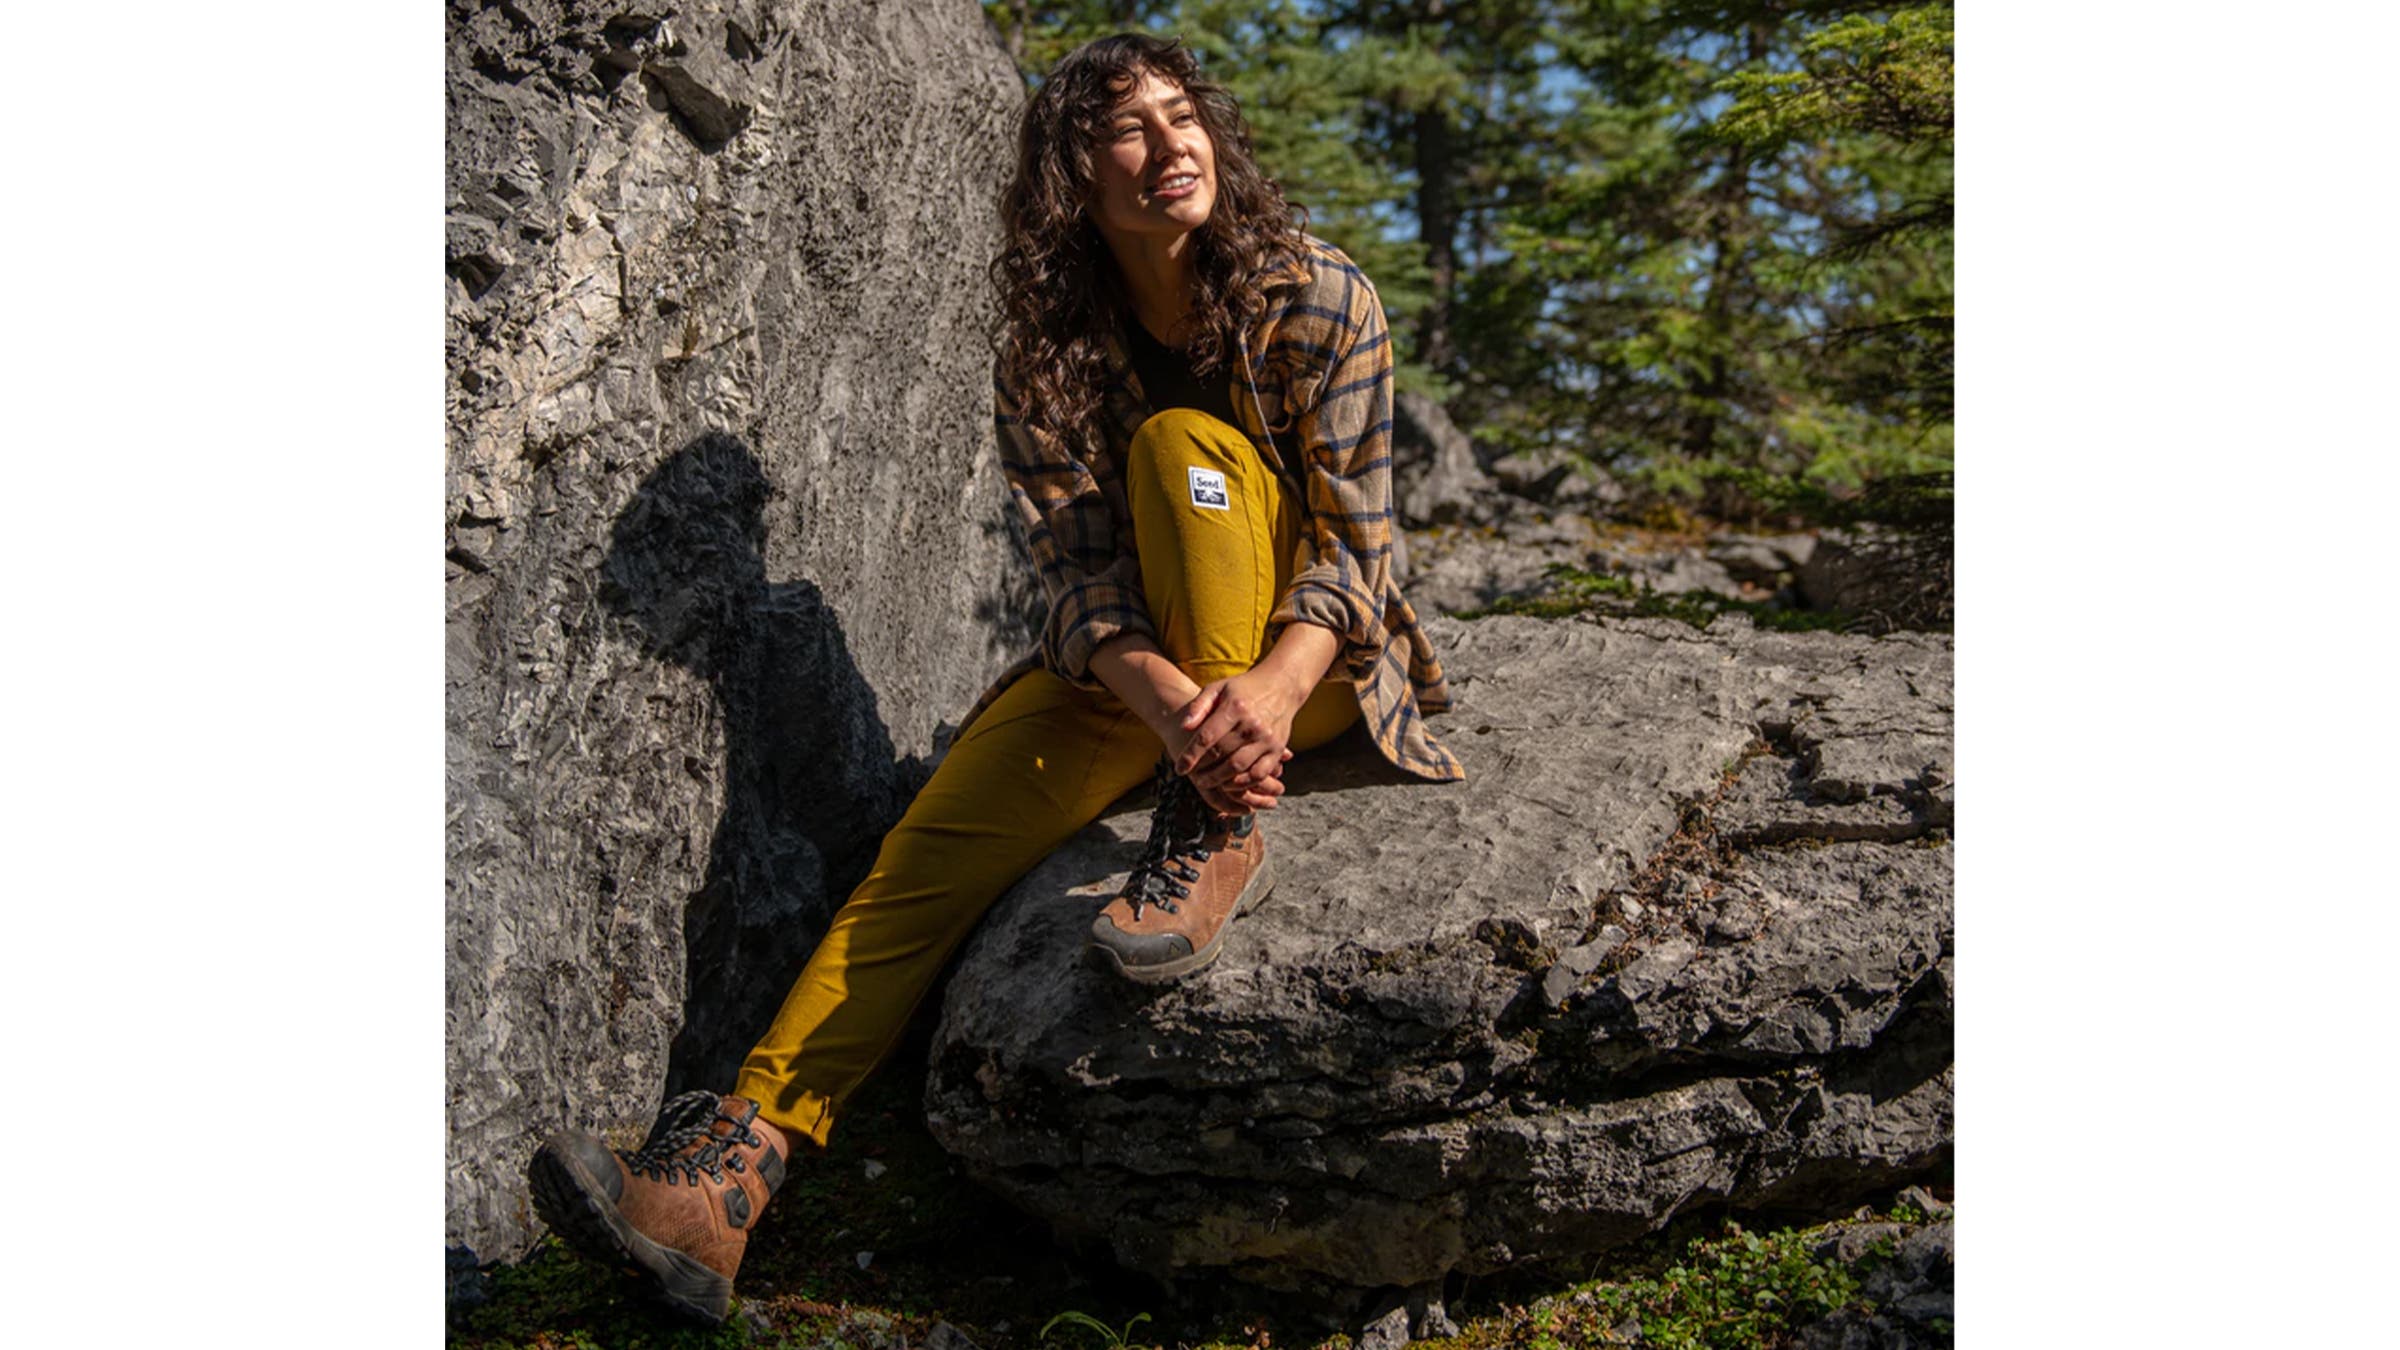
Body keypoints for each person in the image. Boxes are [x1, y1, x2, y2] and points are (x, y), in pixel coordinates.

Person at [525, 31, 1463, 1324]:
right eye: (1126, 129)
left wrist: (1255, 705)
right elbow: (1077, 578)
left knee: (1191, 446)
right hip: (1145, 685)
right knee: (920, 857)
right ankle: (729, 1180)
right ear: (1072, 176)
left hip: (1310, 668)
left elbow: (1361, 553)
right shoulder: (1049, 344)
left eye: (1183, 117)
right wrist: (1176, 706)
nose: (1168, 145)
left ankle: (1218, 822)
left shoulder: (1319, 295)